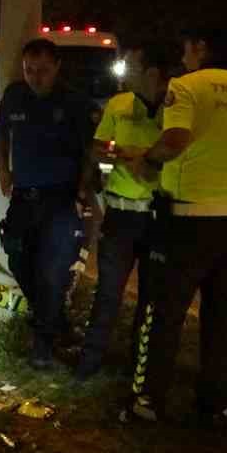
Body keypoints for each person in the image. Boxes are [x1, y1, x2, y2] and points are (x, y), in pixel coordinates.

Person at [124, 27, 227, 429]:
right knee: (225, 316)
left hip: (187, 219)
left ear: (200, 48)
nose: (184, 57)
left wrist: (148, 159)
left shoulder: (187, 86)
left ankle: (147, 401)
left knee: (163, 312)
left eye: (186, 48)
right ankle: (216, 406)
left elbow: (176, 138)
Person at [76, 41, 179, 381]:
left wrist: (145, 156)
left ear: (152, 73)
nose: (126, 72)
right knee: (108, 293)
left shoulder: (176, 109)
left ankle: (140, 367)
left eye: (132, 65)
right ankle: (89, 363)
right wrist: (109, 155)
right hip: (120, 216)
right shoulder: (119, 104)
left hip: (159, 216)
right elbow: (97, 147)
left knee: (152, 298)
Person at [0, 38, 98, 369]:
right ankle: (57, 324)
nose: (35, 77)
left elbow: (89, 151)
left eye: (42, 70)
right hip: (24, 197)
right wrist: (3, 172)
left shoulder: (74, 102)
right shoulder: (14, 96)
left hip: (60, 198)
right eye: (29, 70)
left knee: (52, 273)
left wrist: (82, 191)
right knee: (17, 259)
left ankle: (42, 344)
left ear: (56, 68)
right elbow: (1, 135)